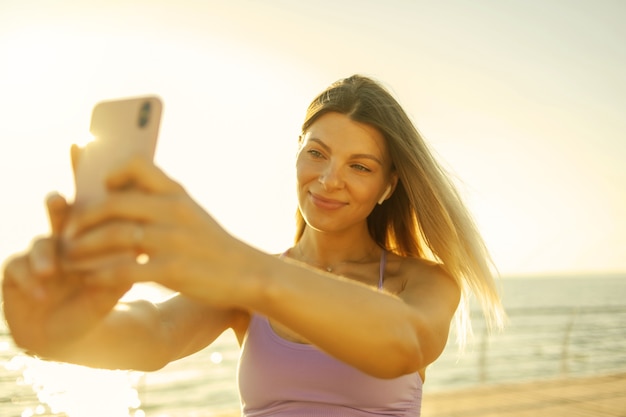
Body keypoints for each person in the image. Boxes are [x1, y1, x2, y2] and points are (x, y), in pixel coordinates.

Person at [2, 74, 504, 416]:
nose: (329, 180)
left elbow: (406, 342)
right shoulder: (249, 281)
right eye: (317, 153)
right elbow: (155, 331)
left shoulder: (422, 282)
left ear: (388, 186)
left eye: (360, 166)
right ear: (297, 155)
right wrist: (57, 334)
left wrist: (243, 270)